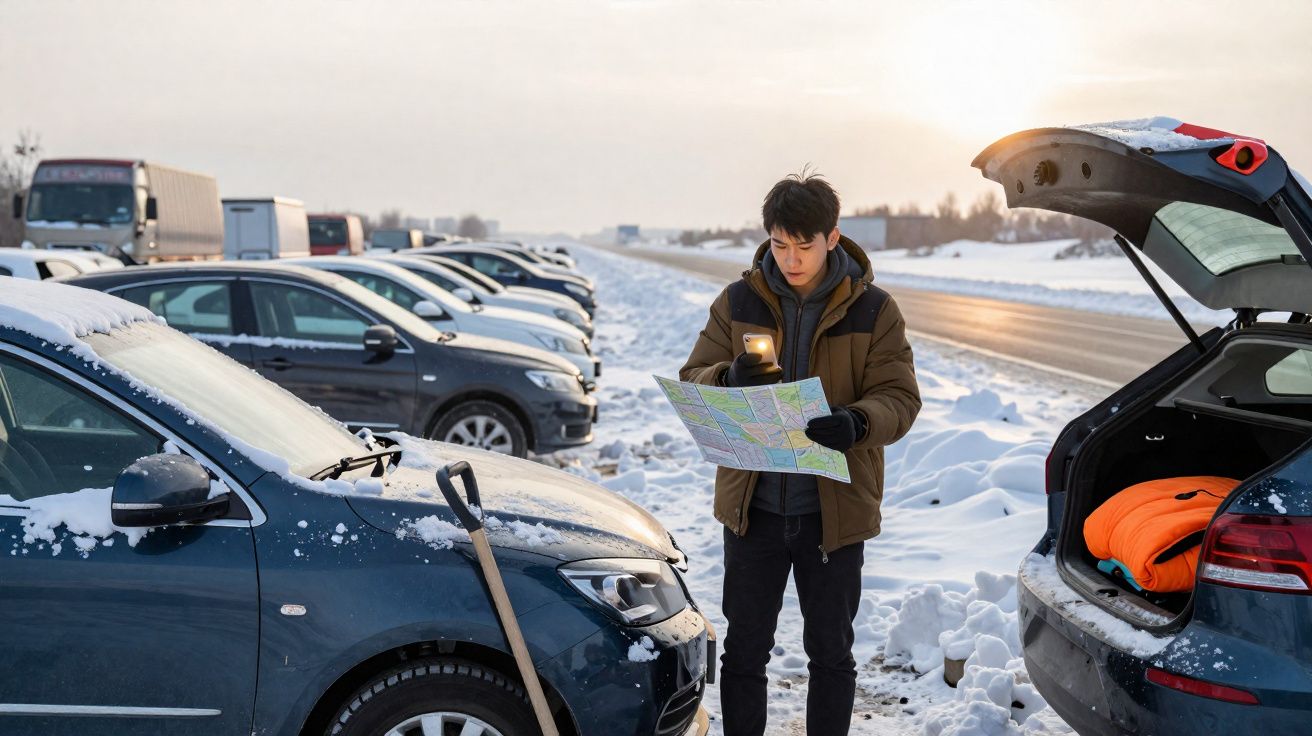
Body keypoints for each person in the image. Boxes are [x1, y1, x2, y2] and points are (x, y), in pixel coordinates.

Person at [680, 172, 921, 735]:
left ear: (832, 237)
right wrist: (728, 377)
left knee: (831, 654)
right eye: (780, 243)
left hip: (833, 515)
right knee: (744, 652)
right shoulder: (737, 300)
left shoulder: (874, 309)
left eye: (804, 246)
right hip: (753, 512)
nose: (790, 259)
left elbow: (899, 397)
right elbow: (695, 377)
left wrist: (858, 422)